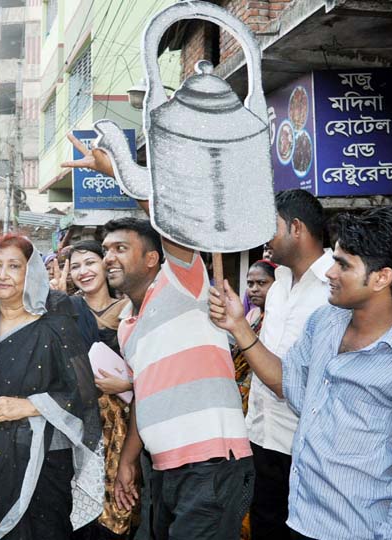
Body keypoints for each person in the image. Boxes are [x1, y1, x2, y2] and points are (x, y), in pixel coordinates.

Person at [63, 135, 254, 540]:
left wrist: (116, 171)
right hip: (164, 467)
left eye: (119, 248)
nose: (108, 256)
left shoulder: (182, 284)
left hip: (212, 463)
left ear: (153, 259)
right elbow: (145, 398)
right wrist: (129, 461)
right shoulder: (129, 322)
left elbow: (173, 220)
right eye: (106, 249)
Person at [210, 206, 392, 539]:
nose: (329, 272)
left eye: (343, 263)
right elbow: (293, 388)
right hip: (299, 517)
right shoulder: (324, 323)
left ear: (381, 278)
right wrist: (239, 326)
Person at [0, 233, 104, 539]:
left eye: (13, 266)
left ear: (31, 272)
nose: (2, 274)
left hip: (41, 464)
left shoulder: (55, 320)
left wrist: (30, 405)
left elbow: (83, 393)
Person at [245, 189, 333, 539]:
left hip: (304, 450)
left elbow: (294, 381)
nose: (264, 236)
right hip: (261, 438)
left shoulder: (335, 286)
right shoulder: (278, 283)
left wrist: (239, 328)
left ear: (296, 228)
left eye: (272, 226)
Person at [66, 240, 135, 540]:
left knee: (119, 504)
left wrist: (128, 384)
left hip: (124, 427)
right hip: (77, 426)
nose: (84, 271)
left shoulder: (131, 309)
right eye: (76, 266)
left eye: (90, 262)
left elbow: (153, 367)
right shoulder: (65, 311)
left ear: (105, 265)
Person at [233, 260, 276, 416]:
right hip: (242, 392)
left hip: (264, 396)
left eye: (261, 283)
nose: (254, 289)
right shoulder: (252, 315)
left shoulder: (278, 318)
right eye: (250, 284)